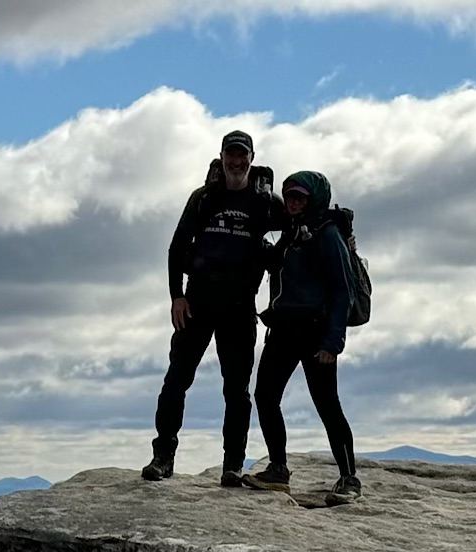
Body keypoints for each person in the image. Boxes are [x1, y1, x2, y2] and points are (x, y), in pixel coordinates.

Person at [141, 130, 284, 486]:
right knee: (176, 380)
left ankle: (232, 465)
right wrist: (176, 296)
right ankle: (163, 458)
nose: (236, 161)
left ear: (251, 158)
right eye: (230, 154)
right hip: (197, 302)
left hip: (239, 307)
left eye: (242, 155)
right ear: (221, 156)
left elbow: (294, 232)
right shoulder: (204, 198)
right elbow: (177, 248)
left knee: (236, 390)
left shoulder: (265, 202)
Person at [243, 171, 362, 505]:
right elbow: (274, 264)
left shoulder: (327, 233)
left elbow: (343, 290)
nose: (293, 203)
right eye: (290, 197)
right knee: (265, 396)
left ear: (314, 199)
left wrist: (332, 342)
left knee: (326, 404)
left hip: (315, 331)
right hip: (283, 328)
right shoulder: (293, 232)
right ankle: (278, 469)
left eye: (300, 198)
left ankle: (349, 478)